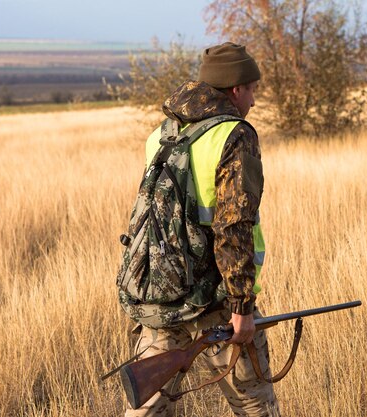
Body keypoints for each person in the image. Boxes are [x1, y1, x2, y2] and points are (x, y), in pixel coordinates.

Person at [123, 42, 279, 417]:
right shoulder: (235, 135)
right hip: (216, 301)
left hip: (162, 293)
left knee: (146, 407)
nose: (254, 101)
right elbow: (234, 225)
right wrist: (241, 306)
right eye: (253, 89)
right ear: (236, 88)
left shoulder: (162, 134)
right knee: (255, 404)